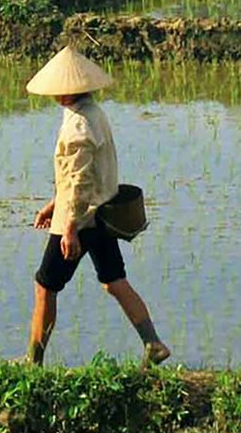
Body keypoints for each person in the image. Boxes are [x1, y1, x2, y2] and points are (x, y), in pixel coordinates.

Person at [24, 44, 169, 368]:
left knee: (45, 286)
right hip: (101, 213)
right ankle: (153, 343)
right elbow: (75, 177)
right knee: (113, 280)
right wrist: (53, 203)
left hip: (80, 220)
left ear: (64, 91)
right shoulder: (93, 113)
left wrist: (70, 228)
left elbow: (80, 181)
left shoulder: (78, 126)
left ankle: (33, 361)